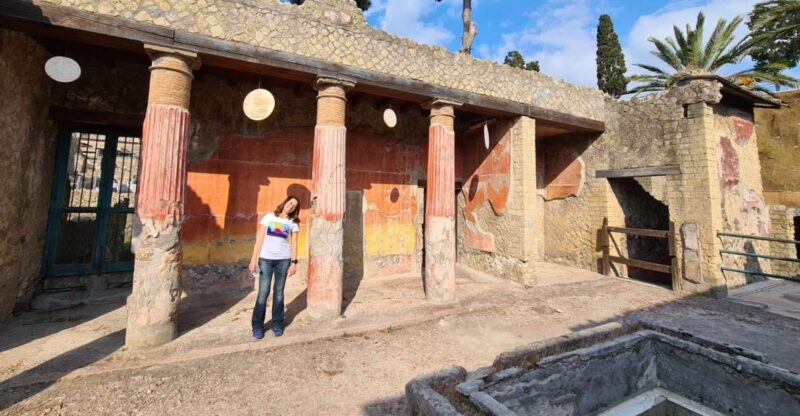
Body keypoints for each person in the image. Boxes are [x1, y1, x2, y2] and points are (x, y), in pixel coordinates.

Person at [249, 195, 300, 339]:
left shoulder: (293, 222)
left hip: (283, 260)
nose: (291, 206)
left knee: (279, 293)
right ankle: (257, 327)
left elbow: (295, 244)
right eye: (290, 203)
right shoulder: (269, 217)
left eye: (294, 206)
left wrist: (294, 263)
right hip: (265, 259)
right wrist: (253, 259)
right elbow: (260, 239)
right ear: (285, 203)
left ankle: (277, 324)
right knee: (263, 293)